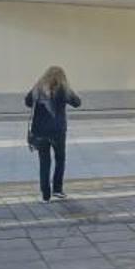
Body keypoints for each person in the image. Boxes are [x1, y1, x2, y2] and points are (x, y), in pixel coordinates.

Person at [25, 66, 81, 202]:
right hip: (58, 131)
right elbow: (77, 103)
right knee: (60, 159)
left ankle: (45, 195)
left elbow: (27, 102)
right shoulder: (63, 89)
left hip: (40, 132)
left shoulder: (38, 89)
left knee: (44, 162)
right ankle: (57, 189)